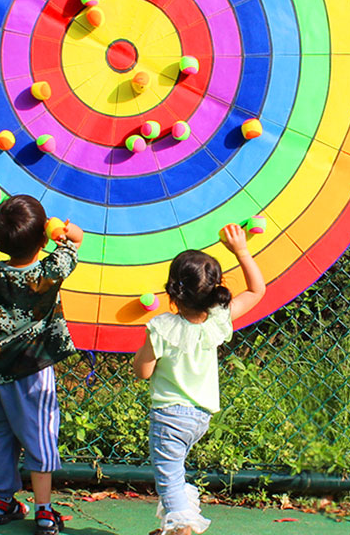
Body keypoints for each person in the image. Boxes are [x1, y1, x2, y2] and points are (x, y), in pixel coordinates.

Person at [0, 194, 83, 533]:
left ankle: (1, 502)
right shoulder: (49, 269)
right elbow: (75, 244)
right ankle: (43, 510)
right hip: (33, 371)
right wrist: (65, 235)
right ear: (43, 239)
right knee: (38, 435)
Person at [133, 223, 266, 535]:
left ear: (172, 291)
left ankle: (183, 527)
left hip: (169, 416)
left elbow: (143, 372)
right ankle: (173, 526)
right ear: (214, 290)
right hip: (200, 417)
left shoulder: (163, 327)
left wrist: (143, 351)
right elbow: (257, 290)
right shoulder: (218, 319)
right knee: (174, 472)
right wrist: (242, 251)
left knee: (167, 477)